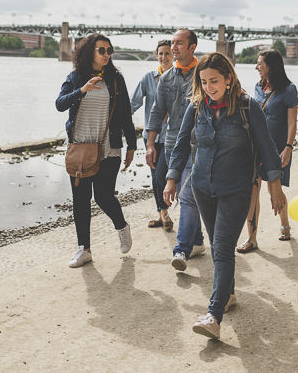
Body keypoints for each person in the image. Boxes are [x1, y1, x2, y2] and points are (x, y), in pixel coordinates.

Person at [164, 52, 286, 340]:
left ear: (229, 78)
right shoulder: (196, 108)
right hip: (202, 187)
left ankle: (213, 315)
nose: (208, 87)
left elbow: (268, 149)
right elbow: (182, 145)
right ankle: (228, 294)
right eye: (204, 82)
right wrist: (171, 179)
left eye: (214, 81)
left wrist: (276, 187)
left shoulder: (247, 107)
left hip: (236, 188)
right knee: (220, 250)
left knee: (221, 247)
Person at [56, 33, 136, 268]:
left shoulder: (115, 79)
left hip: (108, 147)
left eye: (109, 51)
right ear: (89, 51)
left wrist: (132, 145)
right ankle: (84, 249)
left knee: (103, 196)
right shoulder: (75, 77)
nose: (106, 55)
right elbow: (60, 104)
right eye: (102, 50)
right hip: (80, 147)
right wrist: (82, 90)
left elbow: (125, 115)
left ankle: (121, 226)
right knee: (80, 199)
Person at [146, 29, 207, 270]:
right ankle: (199, 241)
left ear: (192, 47)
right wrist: (150, 144)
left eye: (179, 43)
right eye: (172, 43)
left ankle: (181, 250)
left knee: (187, 198)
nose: (174, 48)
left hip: (196, 147)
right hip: (171, 145)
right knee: (179, 192)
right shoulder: (167, 78)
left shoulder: (204, 75)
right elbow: (156, 112)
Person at [237, 50, 298, 252]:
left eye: (259, 64)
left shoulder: (288, 90)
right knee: (253, 191)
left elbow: (292, 122)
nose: (256, 67)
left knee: (275, 190)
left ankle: (284, 223)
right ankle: (252, 238)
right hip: (255, 148)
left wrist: (288, 148)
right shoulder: (258, 87)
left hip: (277, 149)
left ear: (270, 66)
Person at [130, 39, 174, 231]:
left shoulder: (179, 77)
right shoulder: (148, 78)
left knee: (163, 175)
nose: (164, 57)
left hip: (172, 137)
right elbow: (133, 103)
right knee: (156, 175)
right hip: (152, 138)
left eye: (168, 53)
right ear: (156, 55)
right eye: (161, 53)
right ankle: (162, 214)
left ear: (173, 55)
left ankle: (164, 212)